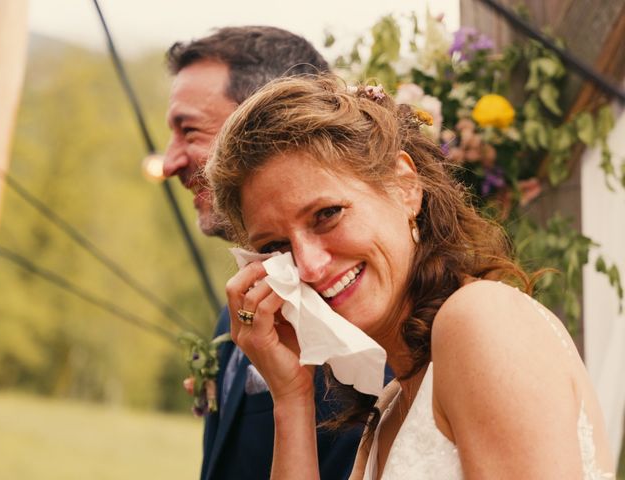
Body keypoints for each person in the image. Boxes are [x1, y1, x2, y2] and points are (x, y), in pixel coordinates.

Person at [206, 75, 616, 479]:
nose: (309, 266)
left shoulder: (481, 320)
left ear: (404, 185)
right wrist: (292, 397)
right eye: (277, 247)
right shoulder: (389, 408)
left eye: (327, 215)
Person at [162, 27, 362, 480]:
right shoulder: (240, 308)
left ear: (269, 121)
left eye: (189, 131)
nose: (170, 161)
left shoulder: (364, 308)